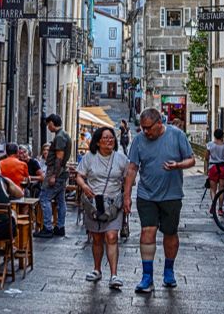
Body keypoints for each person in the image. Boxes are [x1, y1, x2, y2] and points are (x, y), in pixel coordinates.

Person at [124, 106, 195, 293]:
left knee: (170, 233)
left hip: (172, 195)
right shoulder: (138, 140)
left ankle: (169, 271)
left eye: (148, 128)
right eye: (143, 128)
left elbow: (191, 160)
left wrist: (178, 165)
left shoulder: (177, 135)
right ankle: (147, 276)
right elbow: (132, 168)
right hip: (146, 194)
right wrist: (126, 195)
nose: (145, 132)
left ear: (159, 123)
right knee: (147, 231)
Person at [75, 126, 128, 290]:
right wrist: (84, 186)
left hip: (113, 204)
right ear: (97, 142)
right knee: (97, 238)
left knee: (111, 237)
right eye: (105, 138)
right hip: (93, 203)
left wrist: (126, 197)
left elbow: (128, 179)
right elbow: (79, 175)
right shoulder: (89, 157)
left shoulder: (121, 158)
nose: (109, 140)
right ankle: (97, 269)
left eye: (111, 138)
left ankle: (114, 275)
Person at [34, 113, 72, 239]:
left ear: (51, 123)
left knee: (44, 198)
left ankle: (48, 228)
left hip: (56, 172)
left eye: (48, 125)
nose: (48, 127)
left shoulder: (60, 137)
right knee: (61, 200)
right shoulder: (64, 135)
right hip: (62, 172)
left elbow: (59, 158)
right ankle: (60, 227)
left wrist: (54, 175)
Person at [206, 128, 224, 203]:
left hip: (213, 167)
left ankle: (213, 205)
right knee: (221, 189)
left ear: (214, 136)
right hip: (223, 168)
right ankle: (220, 207)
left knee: (213, 189)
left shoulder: (210, 145)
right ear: (222, 136)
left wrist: (207, 168)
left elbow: (206, 157)